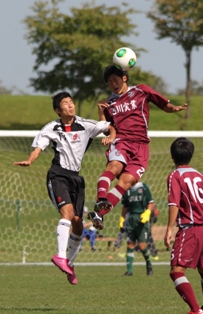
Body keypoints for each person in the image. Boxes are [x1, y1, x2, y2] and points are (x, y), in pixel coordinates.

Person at [14, 91, 115, 285]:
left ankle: (70, 263)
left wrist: (110, 136)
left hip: (76, 179)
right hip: (58, 175)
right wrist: (30, 160)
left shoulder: (85, 125)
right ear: (57, 110)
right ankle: (60, 256)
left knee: (78, 224)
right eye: (65, 104)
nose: (70, 105)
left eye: (71, 102)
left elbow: (109, 127)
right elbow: (39, 147)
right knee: (67, 214)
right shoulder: (52, 128)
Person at [87, 64, 188, 230]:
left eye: (115, 79)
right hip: (122, 141)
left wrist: (174, 109)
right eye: (109, 81)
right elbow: (106, 130)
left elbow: (163, 104)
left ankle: (99, 214)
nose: (113, 83)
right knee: (114, 167)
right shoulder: (109, 103)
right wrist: (100, 112)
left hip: (141, 147)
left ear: (124, 78)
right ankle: (100, 200)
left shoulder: (141, 91)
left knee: (126, 182)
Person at [164, 137, 203, 314]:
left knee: (176, 271)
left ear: (172, 156)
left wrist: (169, 229)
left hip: (190, 227)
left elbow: (174, 204)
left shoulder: (175, 176)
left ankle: (196, 310)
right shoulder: (201, 176)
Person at [120, 181, 154, 276]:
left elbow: (151, 202)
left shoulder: (144, 187)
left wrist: (147, 212)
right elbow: (125, 206)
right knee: (130, 244)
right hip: (131, 219)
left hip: (142, 218)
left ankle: (149, 264)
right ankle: (129, 270)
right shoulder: (127, 189)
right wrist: (122, 218)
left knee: (142, 245)